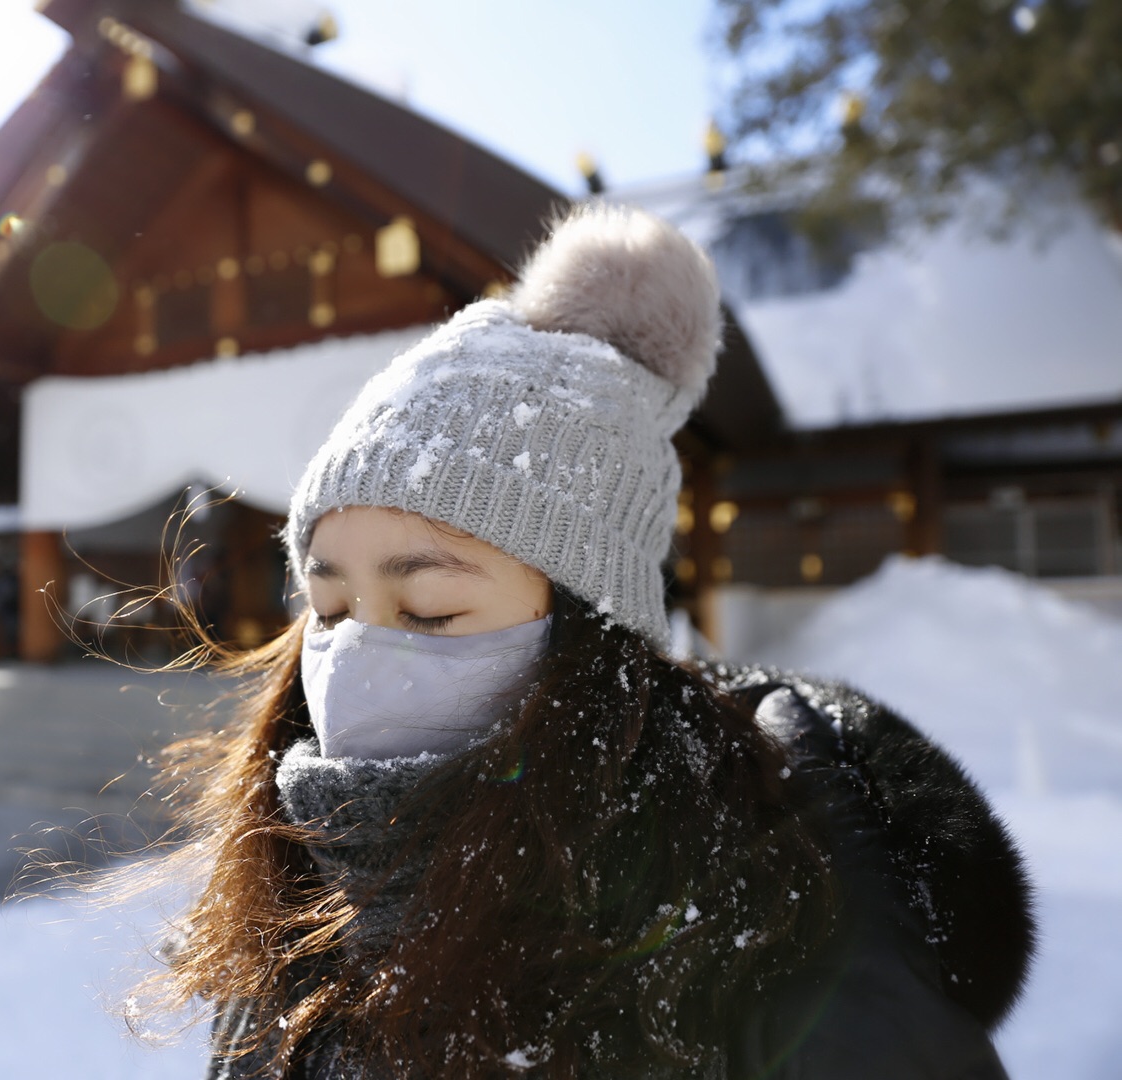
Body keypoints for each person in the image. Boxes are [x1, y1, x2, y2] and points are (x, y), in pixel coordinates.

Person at [131, 204, 1034, 1078]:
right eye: (327, 609)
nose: (356, 656)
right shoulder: (295, 890)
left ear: (591, 639)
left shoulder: (776, 936)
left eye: (433, 611)